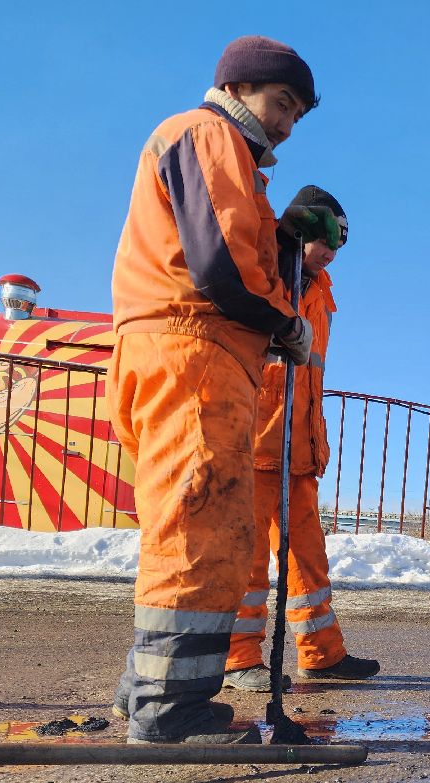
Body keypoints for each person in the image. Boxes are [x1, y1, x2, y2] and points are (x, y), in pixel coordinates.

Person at [107, 36, 342, 744]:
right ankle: (171, 713)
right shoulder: (208, 134)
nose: (287, 125)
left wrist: (276, 241)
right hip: (193, 353)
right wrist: (284, 322)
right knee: (199, 528)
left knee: (196, 524)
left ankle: (148, 688)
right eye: (281, 104)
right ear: (238, 89)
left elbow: (229, 244)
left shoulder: (225, 155)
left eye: (299, 114)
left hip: (195, 355)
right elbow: (222, 267)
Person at [223, 185, 381, 691]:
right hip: (256, 443)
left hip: (300, 449)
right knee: (245, 561)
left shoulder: (321, 290)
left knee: (308, 559)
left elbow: (310, 373)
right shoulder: (269, 271)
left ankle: (322, 654)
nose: (333, 250)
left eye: (342, 241)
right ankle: (240, 658)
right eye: (326, 236)